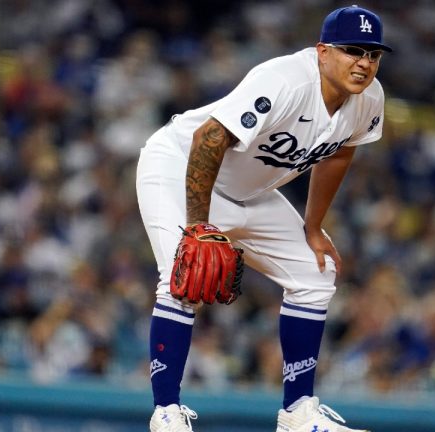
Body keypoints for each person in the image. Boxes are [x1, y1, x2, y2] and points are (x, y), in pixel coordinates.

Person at [136, 5, 392, 432]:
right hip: (180, 168)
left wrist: (313, 226)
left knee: (316, 272)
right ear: (323, 51)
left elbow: (341, 150)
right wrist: (199, 226)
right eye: (352, 50)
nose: (364, 63)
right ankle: (166, 413)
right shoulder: (286, 79)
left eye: (373, 53)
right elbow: (209, 138)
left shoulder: (370, 98)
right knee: (184, 273)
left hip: (248, 191)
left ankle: (298, 413)